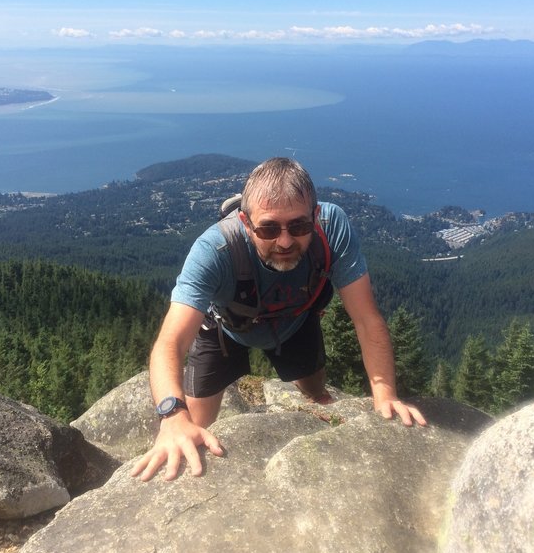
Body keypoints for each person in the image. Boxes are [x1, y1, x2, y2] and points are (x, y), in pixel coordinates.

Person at [131, 157, 426, 482]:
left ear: (316, 217)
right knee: (197, 430)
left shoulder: (333, 229)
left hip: (296, 322)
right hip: (226, 329)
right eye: (269, 228)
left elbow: (367, 319)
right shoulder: (214, 250)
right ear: (245, 222)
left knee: (317, 393)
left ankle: (316, 401)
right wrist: (173, 416)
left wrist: (385, 397)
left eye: (299, 226)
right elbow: (170, 342)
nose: (285, 241)